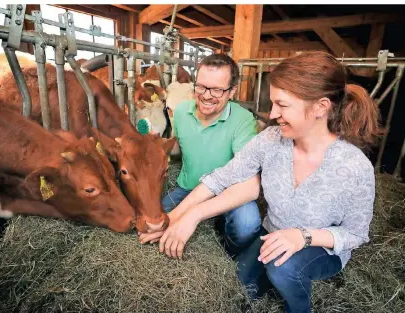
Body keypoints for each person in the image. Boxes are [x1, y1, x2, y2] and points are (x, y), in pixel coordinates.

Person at [147, 51, 380, 313]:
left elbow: (357, 234)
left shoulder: (354, 166)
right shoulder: (271, 140)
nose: (272, 113)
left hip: (321, 247)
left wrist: (303, 237)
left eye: (282, 105)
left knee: (282, 269)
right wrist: (184, 216)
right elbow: (222, 177)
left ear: (320, 107)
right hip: (271, 236)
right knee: (242, 289)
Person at [139, 54, 261, 257]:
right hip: (188, 188)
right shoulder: (181, 111)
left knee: (247, 224)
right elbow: (178, 148)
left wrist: (191, 214)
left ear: (232, 92)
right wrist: (155, 146)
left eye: (217, 90)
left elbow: (248, 181)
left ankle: (228, 255)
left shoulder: (244, 120)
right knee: (154, 221)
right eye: (202, 86)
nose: (206, 95)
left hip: (227, 192)